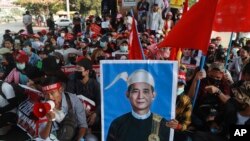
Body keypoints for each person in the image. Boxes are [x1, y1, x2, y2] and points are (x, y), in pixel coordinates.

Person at [107, 69, 170, 141]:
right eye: (135, 91)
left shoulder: (163, 124)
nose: (140, 96)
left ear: (153, 95)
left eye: (145, 91)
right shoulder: (117, 124)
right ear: (127, 94)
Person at [38, 76, 88, 141]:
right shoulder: (42, 107)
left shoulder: (73, 99)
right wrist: (49, 121)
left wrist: (78, 139)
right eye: (46, 94)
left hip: (74, 135)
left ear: (60, 90)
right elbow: (43, 137)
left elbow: (83, 125)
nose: (50, 97)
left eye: (52, 93)